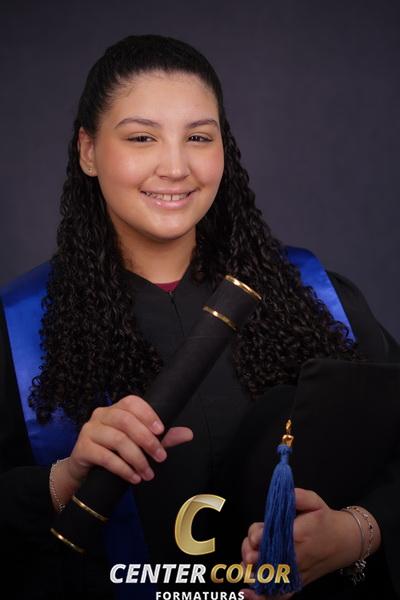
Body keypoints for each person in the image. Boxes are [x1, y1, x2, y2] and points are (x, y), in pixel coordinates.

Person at [0, 34, 399, 600]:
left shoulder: (313, 296)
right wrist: (64, 480)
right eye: (142, 137)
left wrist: (359, 531)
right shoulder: (21, 329)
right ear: (88, 151)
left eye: (198, 138)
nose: (175, 167)